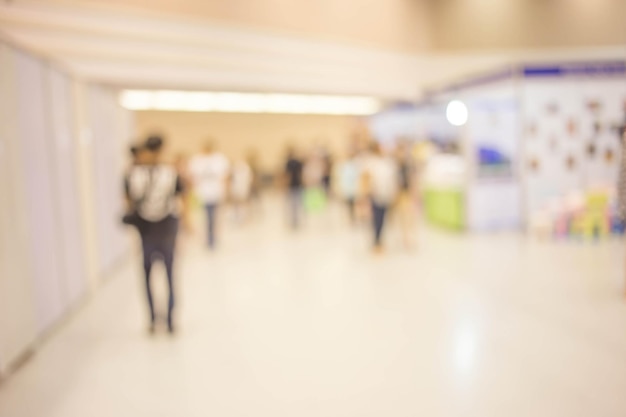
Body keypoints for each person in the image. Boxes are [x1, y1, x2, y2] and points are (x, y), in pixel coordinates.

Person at [124, 135, 186, 334]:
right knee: (168, 274)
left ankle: (153, 319)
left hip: (147, 229)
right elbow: (179, 199)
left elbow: (128, 202)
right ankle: (168, 320)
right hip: (166, 227)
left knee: (149, 275)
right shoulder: (170, 173)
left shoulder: (133, 174)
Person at [189, 140, 230, 249]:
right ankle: (206, 237)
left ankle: (213, 238)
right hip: (201, 194)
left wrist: (226, 192)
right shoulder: (197, 160)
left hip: (215, 193)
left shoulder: (219, 159)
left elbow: (225, 176)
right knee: (203, 218)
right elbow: (192, 178)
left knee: (214, 217)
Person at [362, 141, 399, 253]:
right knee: (376, 219)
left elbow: (392, 179)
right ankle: (376, 241)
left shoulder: (387, 163)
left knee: (382, 219)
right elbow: (365, 179)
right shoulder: (370, 162)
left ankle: (379, 240)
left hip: (385, 194)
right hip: (375, 195)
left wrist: (393, 192)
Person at [396, 140, 418, 249]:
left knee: (409, 218)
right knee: (403, 218)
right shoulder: (397, 165)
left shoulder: (409, 165)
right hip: (400, 195)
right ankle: (405, 238)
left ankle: (410, 238)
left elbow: (412, 180)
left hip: (407, 194)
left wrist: (415, 194)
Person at [337, 148, 360, 224]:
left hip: (353, 188)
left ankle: (353, 217)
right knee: (347, 204)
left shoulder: (356, 165)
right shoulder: (344, 165)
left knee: (352, 204)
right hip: (347, 188)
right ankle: (349, 218)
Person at [284, 146, 304, 229]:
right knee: (294, 205)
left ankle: (295, 221)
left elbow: (287, 175)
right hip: (295, 185)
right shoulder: (292, 162)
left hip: (294, 185)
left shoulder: (292, 163)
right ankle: (295, 221)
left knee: (294, 205)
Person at [230, 157, 253, 224]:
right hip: (238, 188)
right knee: (238, 203)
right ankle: (239, 216)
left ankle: (244, 216)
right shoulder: (237, 170)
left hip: (242, 188)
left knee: (243, 203)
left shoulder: (246, 169)